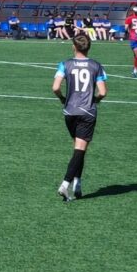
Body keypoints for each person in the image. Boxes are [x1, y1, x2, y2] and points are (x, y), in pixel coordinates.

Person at [52, 33, 108, 202]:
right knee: (80, 150)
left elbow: (55, 87)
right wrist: (95, 100)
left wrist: (62, 98)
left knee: (78, 148)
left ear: (74, 47)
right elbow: (103, 92)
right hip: (87, 112)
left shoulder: (65, 64)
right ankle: (65, 184)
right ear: (89, 47)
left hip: (70, 112)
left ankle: (78, 183)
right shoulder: (96, 66)